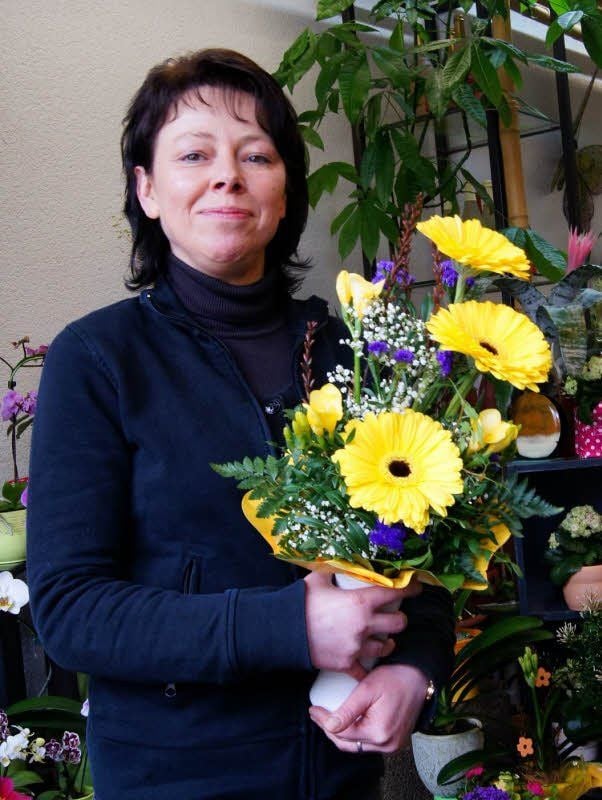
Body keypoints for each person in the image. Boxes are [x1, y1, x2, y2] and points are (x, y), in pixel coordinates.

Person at [26, 49, 455, 800]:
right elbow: (71, 609)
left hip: (336, 771)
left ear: (284, 194)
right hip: (175, 773)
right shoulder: (98, 358)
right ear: (147, 189)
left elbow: (426, 561)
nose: (228, 175)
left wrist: (412, 672)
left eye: (256, 154)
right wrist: (288, 626)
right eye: (195, 155)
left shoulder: (359, 353)